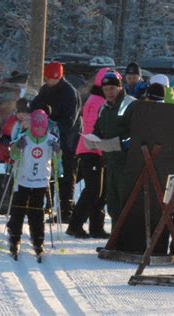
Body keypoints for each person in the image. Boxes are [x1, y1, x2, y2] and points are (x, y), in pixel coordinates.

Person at [31, 61, 82, 223]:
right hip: (47, 139)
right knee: (49, 171)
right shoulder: (45, 89)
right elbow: (36, 105)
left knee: (66, 175)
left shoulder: (70, 93)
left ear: (58, 77)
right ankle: (48, 203)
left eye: (50, 78)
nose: (47, 81)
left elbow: (70, 121)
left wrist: (54, 124)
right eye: (46, 78)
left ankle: (66, 210)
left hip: (68, 140)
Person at [7, 109, 61, 259]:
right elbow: (13, 155)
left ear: (45, 126)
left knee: (36, 211)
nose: (38, 129)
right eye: (35, 126)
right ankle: (15, 235)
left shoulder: (51, 139)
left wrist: (57, 151)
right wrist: (17, 147)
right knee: (19, 209)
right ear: (31, 126)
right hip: (23, 179)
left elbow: (58, 159)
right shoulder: (24, 137)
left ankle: (38, 239)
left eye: (41, 127)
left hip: (40, 181)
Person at [66, 67, 110, 239]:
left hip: (94, 150)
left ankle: (96, 226)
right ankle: (75, 225)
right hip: (91, 149)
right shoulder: (99, 102)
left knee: (100, 191)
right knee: (93, 191)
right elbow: (95, 128)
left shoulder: (95, 99)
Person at [90, 71, 137, 230]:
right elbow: (98, 128)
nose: (109, 93)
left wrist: (120, 144)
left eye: (112, 88)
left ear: (119, 87)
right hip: (110, 162)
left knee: (127, 203)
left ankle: (126, 241)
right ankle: (116, 238)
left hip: (127, 164)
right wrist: (92, 138)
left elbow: (138, 135)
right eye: (105, 90)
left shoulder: (131, 104)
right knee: (113, 204)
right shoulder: (104, 108)